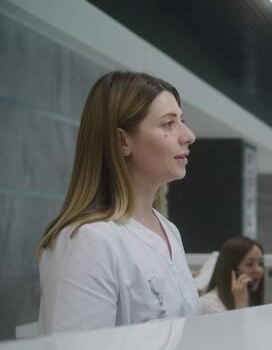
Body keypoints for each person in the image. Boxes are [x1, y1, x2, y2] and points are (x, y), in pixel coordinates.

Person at [37, 71, 200, 334]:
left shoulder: (169, 231)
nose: (188, 135)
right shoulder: (87, 240)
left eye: (182, 121)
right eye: (168, 123)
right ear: (122, 141)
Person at [200, 236, 265, 314]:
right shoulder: (210, 305)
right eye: (249, 264)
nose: (258, 270)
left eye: (260, 263)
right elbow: (243, 326)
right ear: (231, 270)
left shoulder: (250, 297)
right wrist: (241, 304)